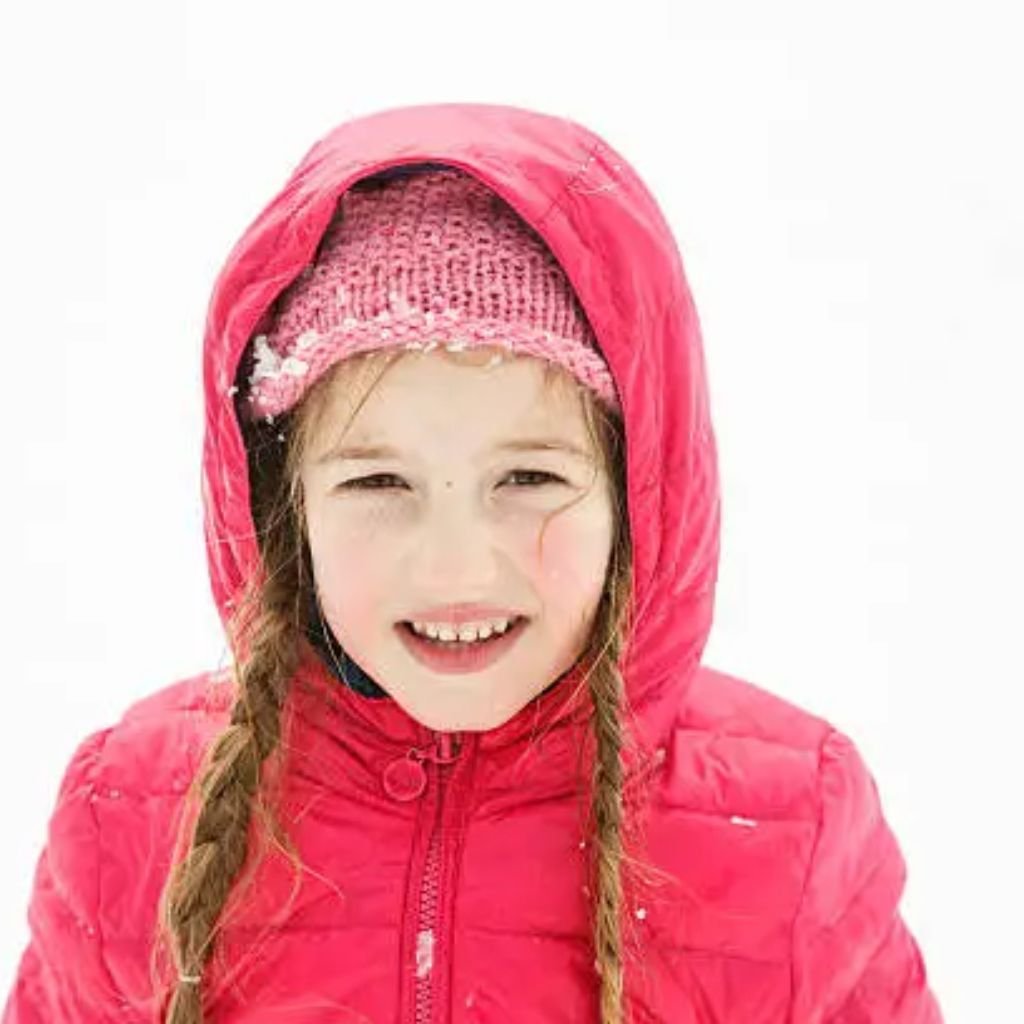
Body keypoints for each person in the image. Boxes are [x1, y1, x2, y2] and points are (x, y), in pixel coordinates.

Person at [2, 103, 944, 1023]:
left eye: (528, 476)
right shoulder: (130, 813)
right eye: (378, 484)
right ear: (283, 508)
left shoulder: (790, 827)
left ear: (634, 489)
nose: (456, 565)